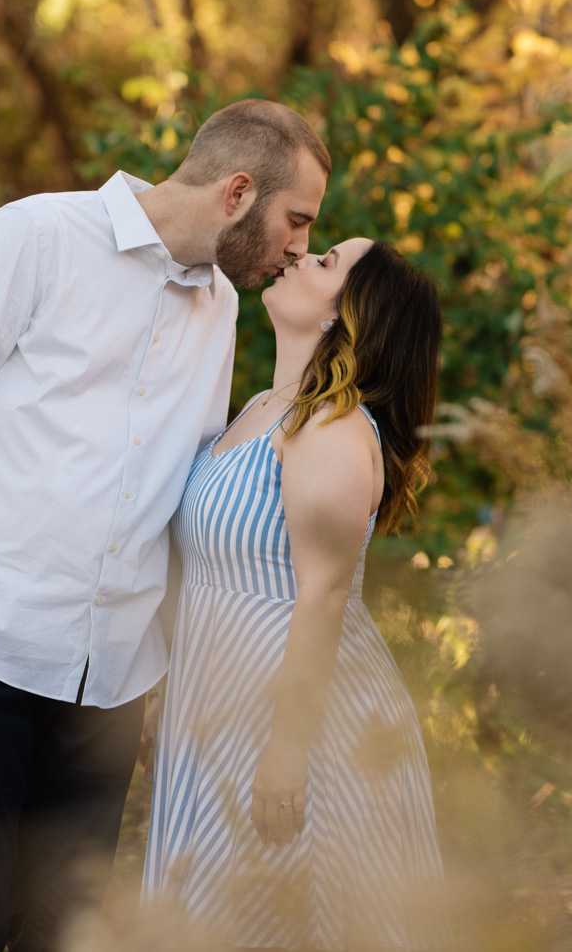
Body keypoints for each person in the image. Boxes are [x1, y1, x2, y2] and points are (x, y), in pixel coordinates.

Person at [0, 99, 331, 952]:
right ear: (238, 191)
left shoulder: (223, 310)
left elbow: (191, 489)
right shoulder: (32, 239)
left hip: (113, 686)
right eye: (296, 220)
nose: (300, 246)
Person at [143, 238, 446, 950]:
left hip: (298, 722)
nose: (297, 258)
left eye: (325, 260)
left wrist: (287, 751)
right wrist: (166, 699)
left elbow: (324, 595)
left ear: (346, 314)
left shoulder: (333, 428)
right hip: (216, 705)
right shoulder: (256, 410)